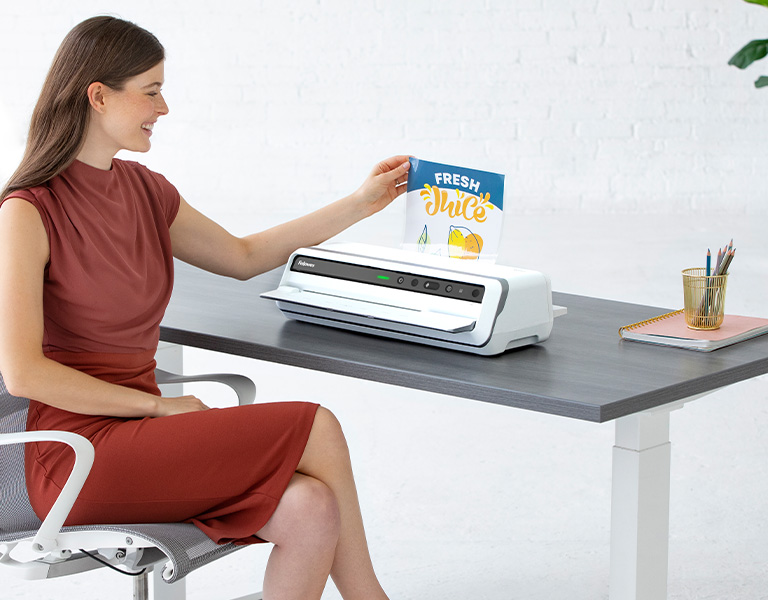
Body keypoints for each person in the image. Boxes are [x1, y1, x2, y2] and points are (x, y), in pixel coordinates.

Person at [0, 15, 409, 600]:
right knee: (315, 425)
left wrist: (362, 203)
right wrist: (156, 408)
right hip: (78, 454)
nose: (163, 108)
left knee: (310, 507)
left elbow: (243, 256)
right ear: (98, 95)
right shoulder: (27, 211)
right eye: (151, 91)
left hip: (140, 435)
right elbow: (24, 373)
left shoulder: (145, 190)